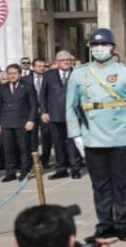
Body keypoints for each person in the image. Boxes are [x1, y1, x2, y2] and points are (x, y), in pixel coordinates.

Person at [66, 28, 126, 242]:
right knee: (100, 184)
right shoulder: (79, 73)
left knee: (122, 183)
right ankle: (104, 224)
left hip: (121, 135)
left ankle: (121, 224)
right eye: (95, 45)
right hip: (92, 136)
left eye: (104, 45)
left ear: (113, 48)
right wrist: (76, 135)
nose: (99, 49)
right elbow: (70, 107)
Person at [41, 51, 84, 180]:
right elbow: (43, 95)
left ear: (72, 61)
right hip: (55, 114)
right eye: (63, 60)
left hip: (73, 114)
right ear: (57, 62)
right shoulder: (49, 75)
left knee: (73, 142)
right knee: (58, 143)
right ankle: (61, 169)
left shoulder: (78, 73)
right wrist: (44, 111)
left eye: (68, 60)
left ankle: (75, 168)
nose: (66, 62)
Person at [0, 64, 38, 182]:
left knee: (24, 148)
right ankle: (10, 172)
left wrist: (30, 120)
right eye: (10, 73)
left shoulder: (28, 86)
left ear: (19, 74)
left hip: (22, 122)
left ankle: (25, 172)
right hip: (6, 122)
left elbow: (33, 105)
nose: (12, 76)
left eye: (14, 73)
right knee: (8, 149)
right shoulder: (2, 88)